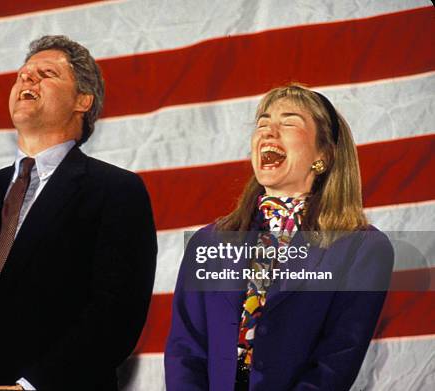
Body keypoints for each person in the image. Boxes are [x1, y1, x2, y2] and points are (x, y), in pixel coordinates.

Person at [0, 35, 158, 390]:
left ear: (82, 101)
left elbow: (115, 314)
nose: (27, 78)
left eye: (47, 73)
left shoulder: (116, 191)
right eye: (23, 73)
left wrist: (30, 387)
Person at [164, 84, 394, 391]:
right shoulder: (209, 242)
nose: (268, 132)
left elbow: (336, 359)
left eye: (288, 123)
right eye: (262, 124)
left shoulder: (363, 249)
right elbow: (185, 350)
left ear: (322, 155)